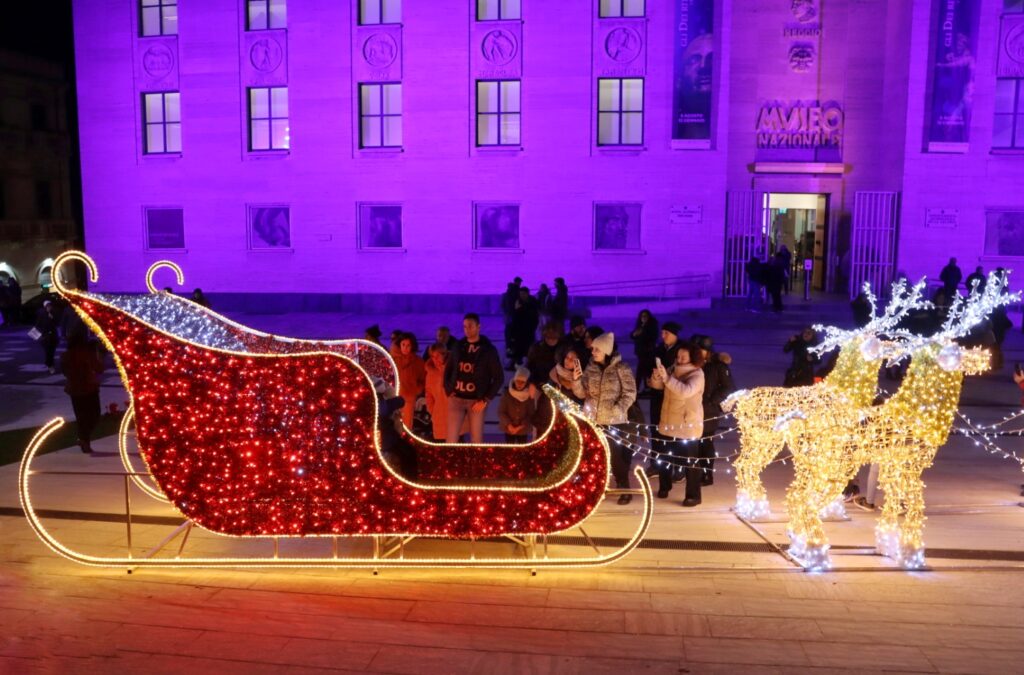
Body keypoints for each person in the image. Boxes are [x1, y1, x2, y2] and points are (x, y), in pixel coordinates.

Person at [581, 332, 637, 504]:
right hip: (593, 420)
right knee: (594, 457)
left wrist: (617, 409)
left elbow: (630, 393)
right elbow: (582, 392)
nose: (593, 352)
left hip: (614, 421)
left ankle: (624, 488)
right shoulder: (590, 368)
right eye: (592, 349)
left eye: (596, 349)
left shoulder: (621, 368)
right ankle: (597, 489)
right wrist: (576, 381)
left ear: (606, 350)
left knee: (615, 458)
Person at [650, 342, 705, 505]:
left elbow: (685, 391)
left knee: (690, 462)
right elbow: (659, 386)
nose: (679, 359)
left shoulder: (697, 374)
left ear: (692, 358)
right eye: (678, 356)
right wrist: (657, 377)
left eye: (683, 357)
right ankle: (664, 487)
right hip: (668, 422)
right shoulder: (673, 369)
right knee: (664, 459)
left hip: (686, 425)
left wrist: (667, 378)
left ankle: (693, 495)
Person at [444, 313, 504, 443]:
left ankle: (475, 457)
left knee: (476, 438)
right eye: (465, 326)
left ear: (478, 327)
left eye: (470, 326)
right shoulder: (458, 346)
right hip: (457, 397)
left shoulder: (488, 350)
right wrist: (448, 389)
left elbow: (499, 377)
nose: (467, 329)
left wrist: (486, 399)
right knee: (451, 437)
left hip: (476, 400)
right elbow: (448, 369)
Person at [693, 334, 733, 486]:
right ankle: (696, 471)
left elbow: (728, 387)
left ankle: (707, 474)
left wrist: (711, 400)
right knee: (695, 443)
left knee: (706, 442)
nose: (698, 353)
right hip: (693, 409)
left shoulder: (718, 366)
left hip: (709, 411)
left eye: (701, 350)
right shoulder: (693, 364)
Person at [60, 324, 104, 453]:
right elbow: (99, 368)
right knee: (94, 415)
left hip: (75, 389)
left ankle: (84, 440)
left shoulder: (66, 355)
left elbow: (65, 372)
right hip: (88, 388)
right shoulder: (87, 353)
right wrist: (99, 355)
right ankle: (84, 439)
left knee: (81, 416)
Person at [648, 321, 682, 427]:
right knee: (655, 423)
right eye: (662, 333)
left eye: (666, 333)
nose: (663, 336)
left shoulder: (682, 351)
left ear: (674, 334)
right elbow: (649, 365)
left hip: (672, 392)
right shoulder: (658, 349)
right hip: (656, 392)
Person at [394, 332, 426, 428]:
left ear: (412, 346)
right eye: (403, 344)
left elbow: (423, 379)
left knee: (407, 425)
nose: (405, 348)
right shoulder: (393, 359)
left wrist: (417, 390)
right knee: (394, 424)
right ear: (399, 345)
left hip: (409, 398)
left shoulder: (418, 361)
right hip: (394, 397)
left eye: (408, 345)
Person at [498, 365, 537, 443]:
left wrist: (520, 426)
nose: (519, 384)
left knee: (522, 447)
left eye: (522, 382)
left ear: (526, 383)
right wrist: (509, 425)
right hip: (508, 428)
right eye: (517, 381)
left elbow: (531, 413)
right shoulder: (507, 394)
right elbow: (501, 412)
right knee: (510, 447)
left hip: (523, 429)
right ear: (514, 380)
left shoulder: (529, 395)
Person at [423, 344, 450, 442]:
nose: (435, 359)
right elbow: (428, 393)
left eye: (438, 356)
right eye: (433, 357)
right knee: (441, 445)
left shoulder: (454, 368)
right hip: (439, 417)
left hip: (455, 416)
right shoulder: (431, 372)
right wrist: (432, 410)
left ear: (444, 354)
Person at [509, 285, 539, 369]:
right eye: (520, 294)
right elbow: (515, 316)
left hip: (529, 329)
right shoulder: (518, 301)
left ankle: (530, 364)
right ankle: (517, 362)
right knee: (519, 346)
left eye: (523, 294)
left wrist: (533, 327)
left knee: (529, 347)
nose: (521, 295)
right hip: (519, 329)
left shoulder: (532, 302)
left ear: (527, 294)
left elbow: (533, 315)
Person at [630, 309, 659, 395]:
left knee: (642, 370)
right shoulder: (640, 326)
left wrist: (642, 332)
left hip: (648, 352)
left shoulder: (651, 326)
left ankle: (638, 388)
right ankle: (645, 388)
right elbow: (633, 335)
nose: (643, 318)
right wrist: (635, 334)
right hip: (641, 352)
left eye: (645, 316)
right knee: (645, 371)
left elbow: (652, 338)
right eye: (642, 316)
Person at [525, 322, 563, 386]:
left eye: (553, 337)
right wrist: (534, 382)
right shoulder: (536, 348)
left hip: (558, 384)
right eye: (548, 337)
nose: (551, 340)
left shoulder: (563, 348)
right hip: (540, 383)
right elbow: (530, 366)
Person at [35, 300, 60, 374]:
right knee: (48, 352)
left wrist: (52, 318)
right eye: (48, 306)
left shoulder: (54, 313)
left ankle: (48, 363)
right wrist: (38, 335)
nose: (49, 307)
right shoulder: (42, 314)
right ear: (45, 307)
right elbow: (38, 325)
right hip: (45, 337)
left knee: (52, 351)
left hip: (53, 336)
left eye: (50, 306)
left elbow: (57, 323)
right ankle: (50, 365)